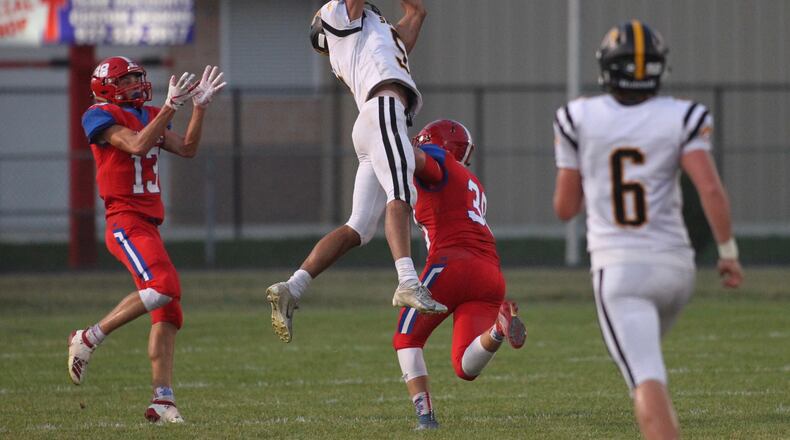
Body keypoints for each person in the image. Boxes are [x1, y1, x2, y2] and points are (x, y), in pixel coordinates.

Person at [552, 21, 744, 440]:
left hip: (621, 272)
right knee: (646, 367)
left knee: (646, 379)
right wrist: (727, 252)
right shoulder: (684, 115)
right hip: (677, 269)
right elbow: (710, 188)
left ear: (607, 68)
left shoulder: (577, 117)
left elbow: (565, 208)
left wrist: (592, 164)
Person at [266, 0, 446, 344]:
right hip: (383, 109)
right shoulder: (336, 18)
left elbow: (408, 28)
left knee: (358, 228)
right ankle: (408, 280)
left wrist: (414, 12)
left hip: (373, 119)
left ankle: (293, 286)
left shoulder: (371, 36)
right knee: (401, 193)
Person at [68, 56, 226, 423]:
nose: (136, 85)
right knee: (164, 285)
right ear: (107, 88)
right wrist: (171, 107)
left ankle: (163, 400)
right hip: (124, 221)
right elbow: (138, 145)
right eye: (127, 81)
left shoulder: (148, 113)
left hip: (148, 224)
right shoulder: (98, 116)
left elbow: (187, 147)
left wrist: (199, 109)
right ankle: (88, 337)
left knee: (169, 309)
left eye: (137, 78)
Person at [393, 120, 526, 430]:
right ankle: (497, 328)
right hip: (490, 272)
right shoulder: (473, 182)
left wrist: (383, 130)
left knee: (406, 339)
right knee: (465, 366)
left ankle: (425, 418)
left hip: (452, 263)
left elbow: (413, 158)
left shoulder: (436, 159)